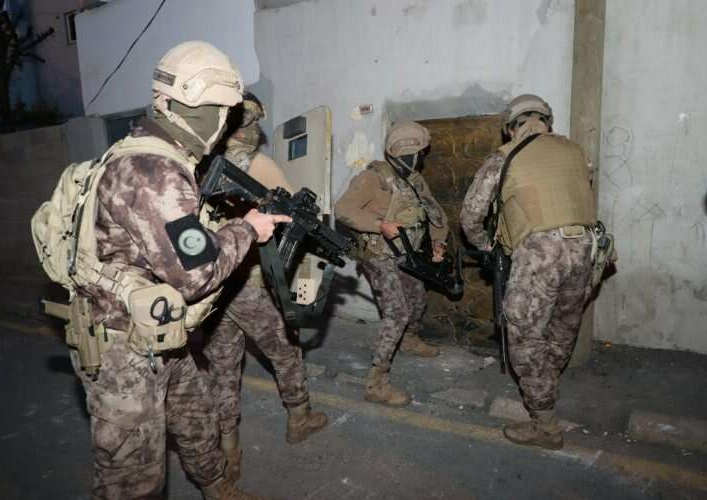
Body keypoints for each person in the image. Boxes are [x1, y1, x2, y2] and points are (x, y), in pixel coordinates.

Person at [73, 41, 287, 499]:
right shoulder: (154, 170)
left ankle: (217, 487)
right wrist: (247, 229)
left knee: (196, 420)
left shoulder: (146, 152)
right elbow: (197, 275)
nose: (225, 124)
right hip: (122, 352)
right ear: (200, 107)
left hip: (159, 332)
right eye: (223, 112)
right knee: (132, 477)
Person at [203, 95, 327, 481]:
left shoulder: (201, 162)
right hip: (247, 282)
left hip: (212, 283)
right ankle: (299, 418)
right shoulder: (258, 163)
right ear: (251, 126)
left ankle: (228, 450)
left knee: (223, 366)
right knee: (286, 351)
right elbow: (292, 218)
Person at [460, 94, 595, 450]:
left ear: (510, 129)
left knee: (523, 334)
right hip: (586, 249)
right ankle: (548, 382)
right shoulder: (576, 153)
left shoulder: (504, 157)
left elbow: (471, 214)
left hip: (540, 253)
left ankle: (545, 425)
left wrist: (485, 246)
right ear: (547, 122)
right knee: (564, 325)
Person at [335, 121, 448, 407]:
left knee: (417, 298)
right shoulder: (372, 178)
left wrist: (439, 242)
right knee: (397, 313)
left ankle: (409, 340)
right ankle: (376, 383)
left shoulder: (415, 180)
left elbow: (434, 212)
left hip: (406, 253)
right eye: (417, 153)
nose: (418, 158)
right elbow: (343, 210)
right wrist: (378, 225)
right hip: (378, 255)